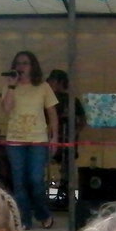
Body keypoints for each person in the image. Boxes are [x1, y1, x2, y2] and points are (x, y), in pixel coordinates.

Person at [1, 51, 58, 230]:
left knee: (36, 180)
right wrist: (11, 86)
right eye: (18, 63)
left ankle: (42, 213)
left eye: (25, 63)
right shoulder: (10, 85)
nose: (21, 66)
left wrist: (55, 137)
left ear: (33, 66)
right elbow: (7, 109)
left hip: (37, 140)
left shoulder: (43, 86)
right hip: (15, 140)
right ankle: (24, 218)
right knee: (19, 182)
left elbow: (52, 114)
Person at [47, 68, 86, 211]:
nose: (49, 83)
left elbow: (82, 120)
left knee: (67, 168)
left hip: (67, 140)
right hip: (51, 139)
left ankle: (64, 196)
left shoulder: (71, 100)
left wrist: (74, 133)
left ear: (59, 82)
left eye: (52, 81)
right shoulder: (48, 99)